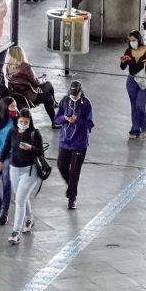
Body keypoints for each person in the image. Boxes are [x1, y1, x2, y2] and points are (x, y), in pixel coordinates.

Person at [0, 110, 46, 245]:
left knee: (19, 200)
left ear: (29, 122)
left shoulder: (35, 134)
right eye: (21, 122)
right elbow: (6, 147)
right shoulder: (12, 132)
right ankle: (29, 219)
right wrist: (0, 161)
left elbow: (40, 151)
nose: (23, 124)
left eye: (26, 122)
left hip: (29, 171)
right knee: (21, 197)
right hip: (14, 169)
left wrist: (31, 147)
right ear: (17, 121)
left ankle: (15, 232)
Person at [53, 81, 93, 209]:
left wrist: (78, 120)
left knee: (75, 170)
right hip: (65, 140)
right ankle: (71, 186)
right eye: (72, 94)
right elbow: (56, 118)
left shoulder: (86, 104)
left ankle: (72, 197)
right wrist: (65, 118)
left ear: (80, 92)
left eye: (76, 94)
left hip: (79, 143)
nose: (74, 96)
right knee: (61, 165)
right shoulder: (64, 101)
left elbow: (90, 124)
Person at [120, 31, 146, 140]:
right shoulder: (128, 51)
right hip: (132, 80)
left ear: (139, 40)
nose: (132, 43)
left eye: (133, 40)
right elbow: (123, 67)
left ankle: (144, 126)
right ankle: (135, 129)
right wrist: (123, 62)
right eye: (130, 41)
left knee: (140, 104)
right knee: (134, 105)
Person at [5, 45, 59, 128]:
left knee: (48, 86)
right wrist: (43, 78)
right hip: (29, 97)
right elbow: (36, 82)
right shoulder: (26, 67)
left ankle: (55, 104)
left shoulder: (8, 67)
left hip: (18, 96)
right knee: (48, 94)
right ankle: (54, 121)